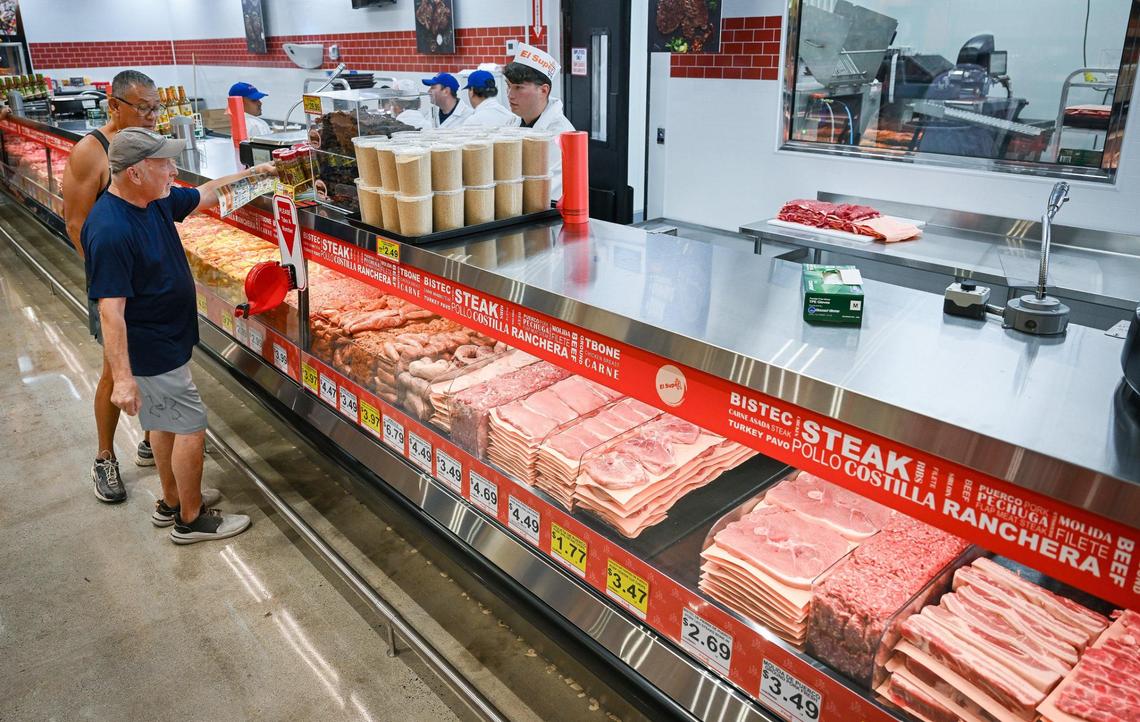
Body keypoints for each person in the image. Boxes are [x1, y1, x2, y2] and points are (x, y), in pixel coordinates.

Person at [82, 127, 274, 542]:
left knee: (165, 425)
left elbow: (207, 194)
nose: (173, 169)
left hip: (166, 338)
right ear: (134, 172)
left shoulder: (152, 199)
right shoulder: (111, 228)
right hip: (150, 346)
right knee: (190, 427)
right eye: (164, 163)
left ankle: (172, 501)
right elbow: (110, 311)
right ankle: (192, 520)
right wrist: (124, 378)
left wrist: (260, 174)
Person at [62, 70, 162, 502]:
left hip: (151, 280)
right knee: (114, 370)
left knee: (157, 363)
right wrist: (110, 279)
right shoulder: (92, 151)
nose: (152, 116)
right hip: (115, 282)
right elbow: (75, 223)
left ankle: (151, 439)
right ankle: (105, 457)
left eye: (156, 107)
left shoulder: (148, 144)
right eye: (143, 108)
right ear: (114, 103)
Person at [504, 44, 575, 198]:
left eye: (518, 88)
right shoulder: (512, 123)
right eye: (508, 86)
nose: (510, 95)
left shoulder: (562, 135)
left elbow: (550, 194)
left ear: (543, 90)